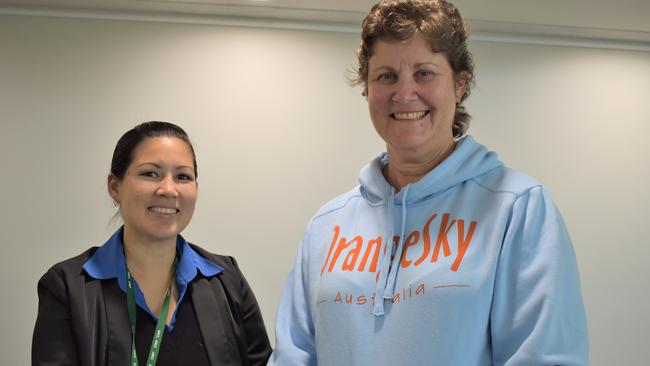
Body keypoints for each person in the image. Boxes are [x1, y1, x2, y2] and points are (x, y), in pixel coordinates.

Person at [268, 0, 588, 365]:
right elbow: (293, 357)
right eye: (386, 76)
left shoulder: (517, 208)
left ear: (460, 85)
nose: (404, 93)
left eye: (424, 73)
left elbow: (544, 358)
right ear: (367, 88)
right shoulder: (326, 225)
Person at [32, 121, 271, 366]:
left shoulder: (227, 279)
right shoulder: (67, 287)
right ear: (115, 186)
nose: (168, 189)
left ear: (196, 189)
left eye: (182, 177)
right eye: (150, 174)